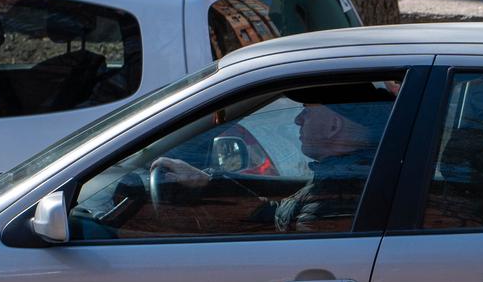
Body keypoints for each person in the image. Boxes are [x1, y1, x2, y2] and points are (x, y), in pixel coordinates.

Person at [150, 84, 393, 233]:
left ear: (333, 126)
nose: (299, 119)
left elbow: (298, 260)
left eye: (307, 111)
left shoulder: (339, 194)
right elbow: (279, 217)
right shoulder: (339, 180)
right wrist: (206, 185)